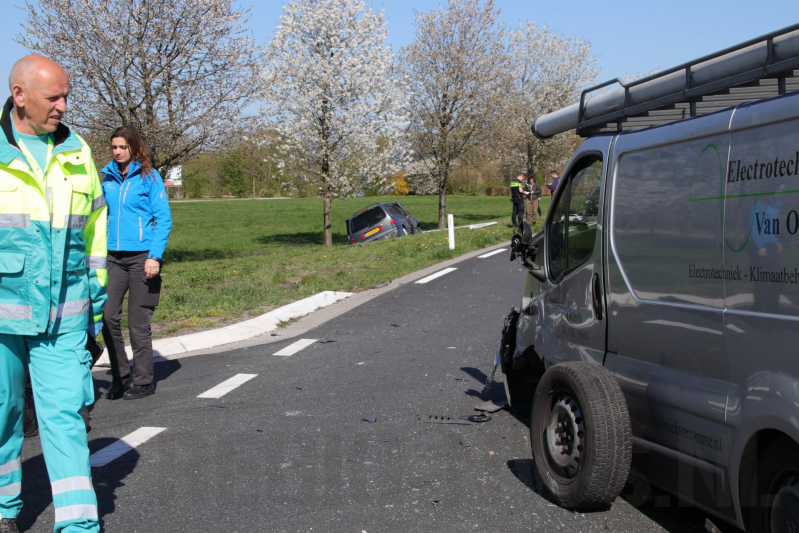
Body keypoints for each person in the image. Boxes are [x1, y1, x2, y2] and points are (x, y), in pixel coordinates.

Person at [0, 55, 107, 533]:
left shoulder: (78, 151)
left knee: (64, 416)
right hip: (3, 318)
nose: (64, 106)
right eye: (54, 97)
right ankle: (4, 509)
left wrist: (96, 308)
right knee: (3, 413)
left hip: (65, 314)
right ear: (19, 95)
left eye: (67, 96)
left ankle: (78, 526)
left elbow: (96, 236)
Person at [101, 125, 172, 401]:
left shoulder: (149, 176)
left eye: (123, 147)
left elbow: (163, 218)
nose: (118, 152)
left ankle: (143, 380)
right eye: (114, 147)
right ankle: (121, 376)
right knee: (107, 317)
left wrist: (155, 256)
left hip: (142, 257)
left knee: (138, 323)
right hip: (112, 257)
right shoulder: (106, 176)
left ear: (133, 147)